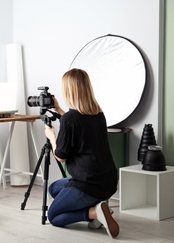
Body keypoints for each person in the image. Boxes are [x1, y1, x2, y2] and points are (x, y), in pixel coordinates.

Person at [44, 68, 119, 238]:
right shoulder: (98, 114)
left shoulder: (71, 119)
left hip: (88, 184)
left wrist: (52, 136)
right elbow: (77, 124)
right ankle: (100, 206)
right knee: (54, 189)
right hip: (108, 182)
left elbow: (61, 156)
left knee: (53, 216)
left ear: (68, 90)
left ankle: (94, 213)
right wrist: (59, 110)